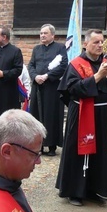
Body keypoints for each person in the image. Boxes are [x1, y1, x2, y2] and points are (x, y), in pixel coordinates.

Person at [55, 29, 107, 207]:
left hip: (103, 114)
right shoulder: (76, 64)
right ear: (85, 44)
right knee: (78, 151)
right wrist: (98, 76)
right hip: (83, 113)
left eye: (101, 42)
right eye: (95, 42)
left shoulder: (106, 63)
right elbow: (73, 89)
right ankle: (74, 191)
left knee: (100, 152)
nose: (99, 46)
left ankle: (94, 189)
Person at [28, 24, 68, 156]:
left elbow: (63, 66)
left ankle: (51, 145)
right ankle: (37, 145)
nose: (42, 35)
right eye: (41, 33)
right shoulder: (36, 49)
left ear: (52, 35)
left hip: (52, 87)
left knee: (51, 115)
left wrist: (47, 76)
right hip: (38, 87)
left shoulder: (60, 48)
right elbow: (31, 65)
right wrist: (35, 76)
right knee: (36, 115)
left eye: (45, 33)